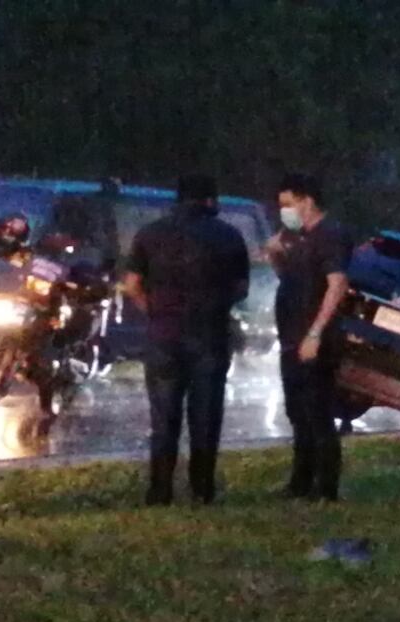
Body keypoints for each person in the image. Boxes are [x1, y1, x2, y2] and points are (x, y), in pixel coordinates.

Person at [123, 175, 250, 506]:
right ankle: (202, 489)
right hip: (209, 335)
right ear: (210, 200)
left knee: (163, 418)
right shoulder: (228, 236)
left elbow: (133, 284)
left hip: (164, 336)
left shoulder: (149, 234)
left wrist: (155, 311)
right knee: (205, 416)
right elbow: (241, 289)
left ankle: (160, 490)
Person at [266, 174, 354, 502]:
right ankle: (300, 481)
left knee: (317, 413)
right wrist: (276, 255)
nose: (284, 212)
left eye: (288, 204)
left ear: (307, 201)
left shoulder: (330, 235)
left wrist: (315, 332)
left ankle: (325, 486)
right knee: (297, 412)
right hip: (292, 337)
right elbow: (293, 281)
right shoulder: (299, 238)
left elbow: (337, 285)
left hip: (316, 339)